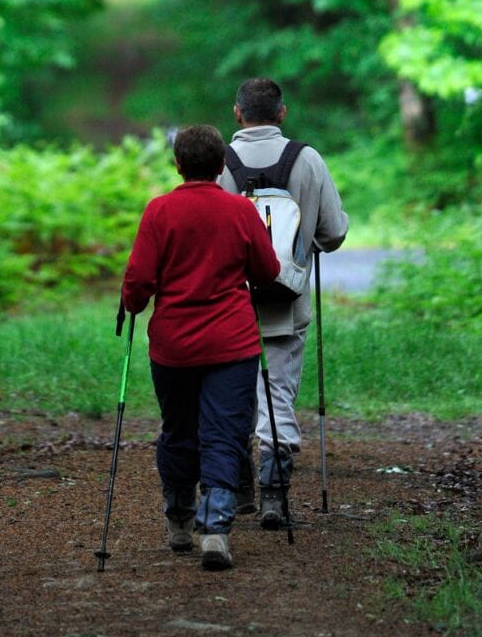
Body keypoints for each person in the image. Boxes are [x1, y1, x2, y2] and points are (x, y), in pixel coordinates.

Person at [122, 124, 280, 570]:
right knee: (224, 434)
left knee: (178, 431)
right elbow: (266, 271)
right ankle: (215, 531)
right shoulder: (240, 210)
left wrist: (132, 303)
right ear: (219, 167)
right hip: (232, 343)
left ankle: (178, 521)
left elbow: (138, 281)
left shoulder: (159, 211)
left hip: (173, 346)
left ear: (178, 164)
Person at [218, 78, 349, 529]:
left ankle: (237, 492)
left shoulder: (220, 165)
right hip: (286, 302)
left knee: (232, 396)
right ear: (282, 113)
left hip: (230, 304)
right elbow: (332, 235)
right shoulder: (307, 160)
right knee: (276, 395)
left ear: (237, 113)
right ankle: (275, 496)